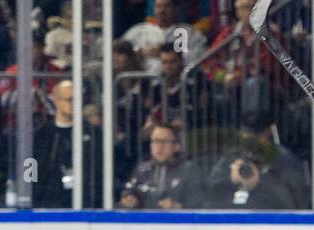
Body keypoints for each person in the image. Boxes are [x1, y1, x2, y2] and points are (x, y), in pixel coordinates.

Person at [30, 79, 102, 208]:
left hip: (84, 203)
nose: (75, 104)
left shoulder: (93, 133)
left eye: (78, 100)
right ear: (56, 101)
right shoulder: (41, 135)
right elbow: (29, 170)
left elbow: (99, 169)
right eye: (70, 100)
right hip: (47, 204)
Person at [118, 121, 203, 208]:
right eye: (155, 141)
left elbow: (200, 206)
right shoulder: (142, 169)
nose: (159, 146)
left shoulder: (189, 170)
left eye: (164, 141)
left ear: (176, 146)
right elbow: (129, 191)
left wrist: (178, 207)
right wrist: (129, 199)